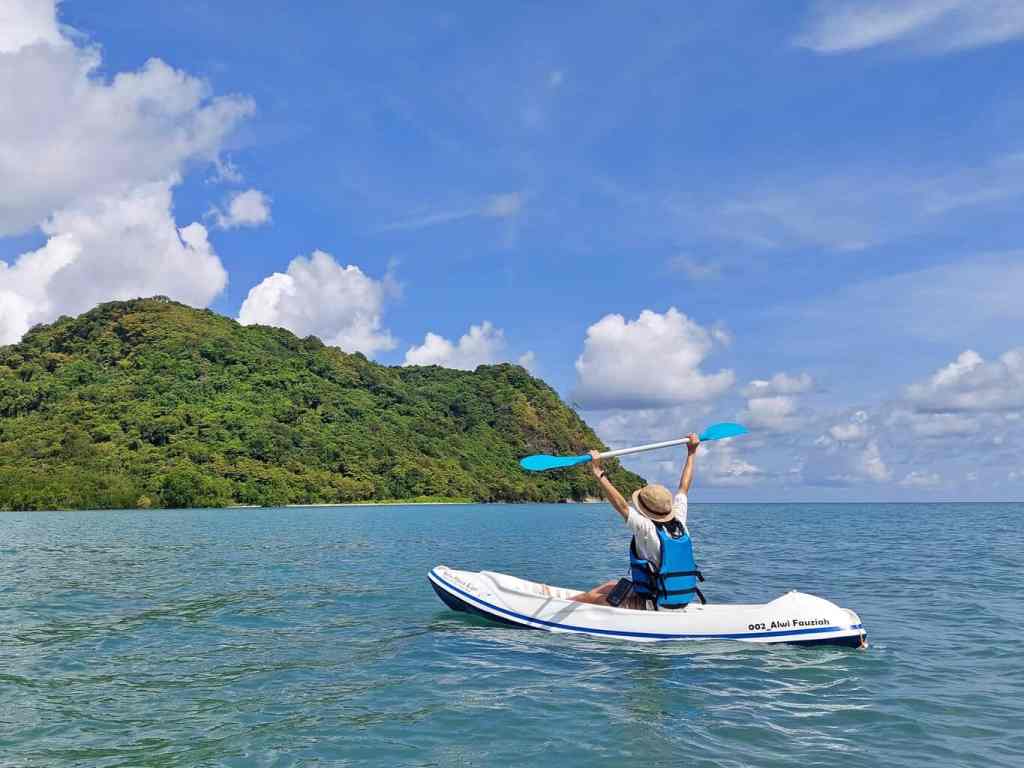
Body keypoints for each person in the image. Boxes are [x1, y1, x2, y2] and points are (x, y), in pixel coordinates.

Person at [571, 433, 705, 610]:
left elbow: (621, 505)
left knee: (594, 600)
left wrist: (598, 473)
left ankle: (566, 607)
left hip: (653, 603)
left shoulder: (646, 528)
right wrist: (692, 452)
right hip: (678, 596)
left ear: (645, 509)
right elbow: (684, 487)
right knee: (610, 585)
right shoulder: (680, 522)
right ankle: (570, 601)